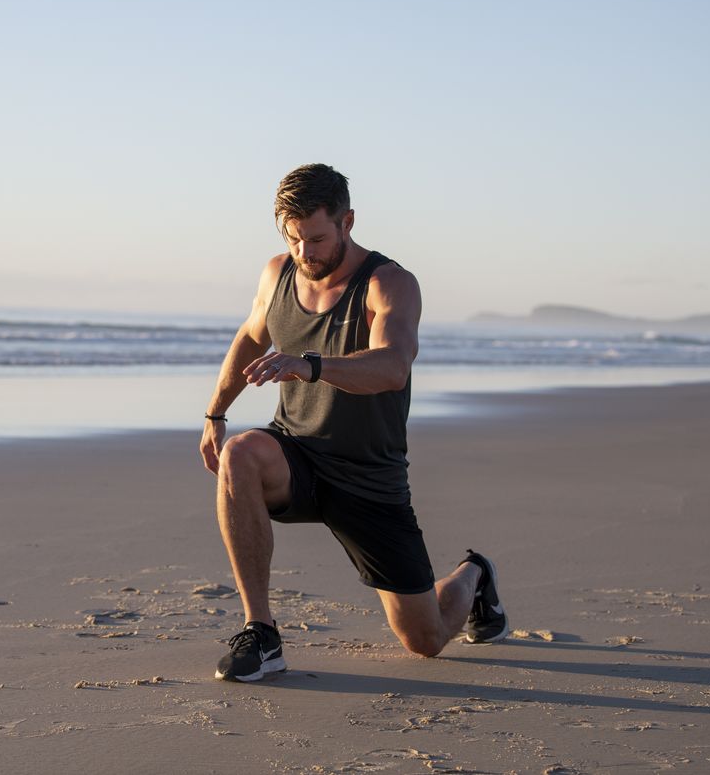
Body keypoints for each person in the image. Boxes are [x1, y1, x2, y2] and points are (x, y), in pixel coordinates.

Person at [199, 163, 507, 683]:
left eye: (317, 238)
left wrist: (311, 364)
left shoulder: (390, 283)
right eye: (294, 239)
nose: (306, 253)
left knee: (425, 640)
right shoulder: (277, 273)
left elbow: (392, 366)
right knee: (242, 452)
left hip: (368, 477)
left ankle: (474, 575)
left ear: (348, 221)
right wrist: (216, 413)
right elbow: (251, 337)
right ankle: (262, 633)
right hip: (296, 454)